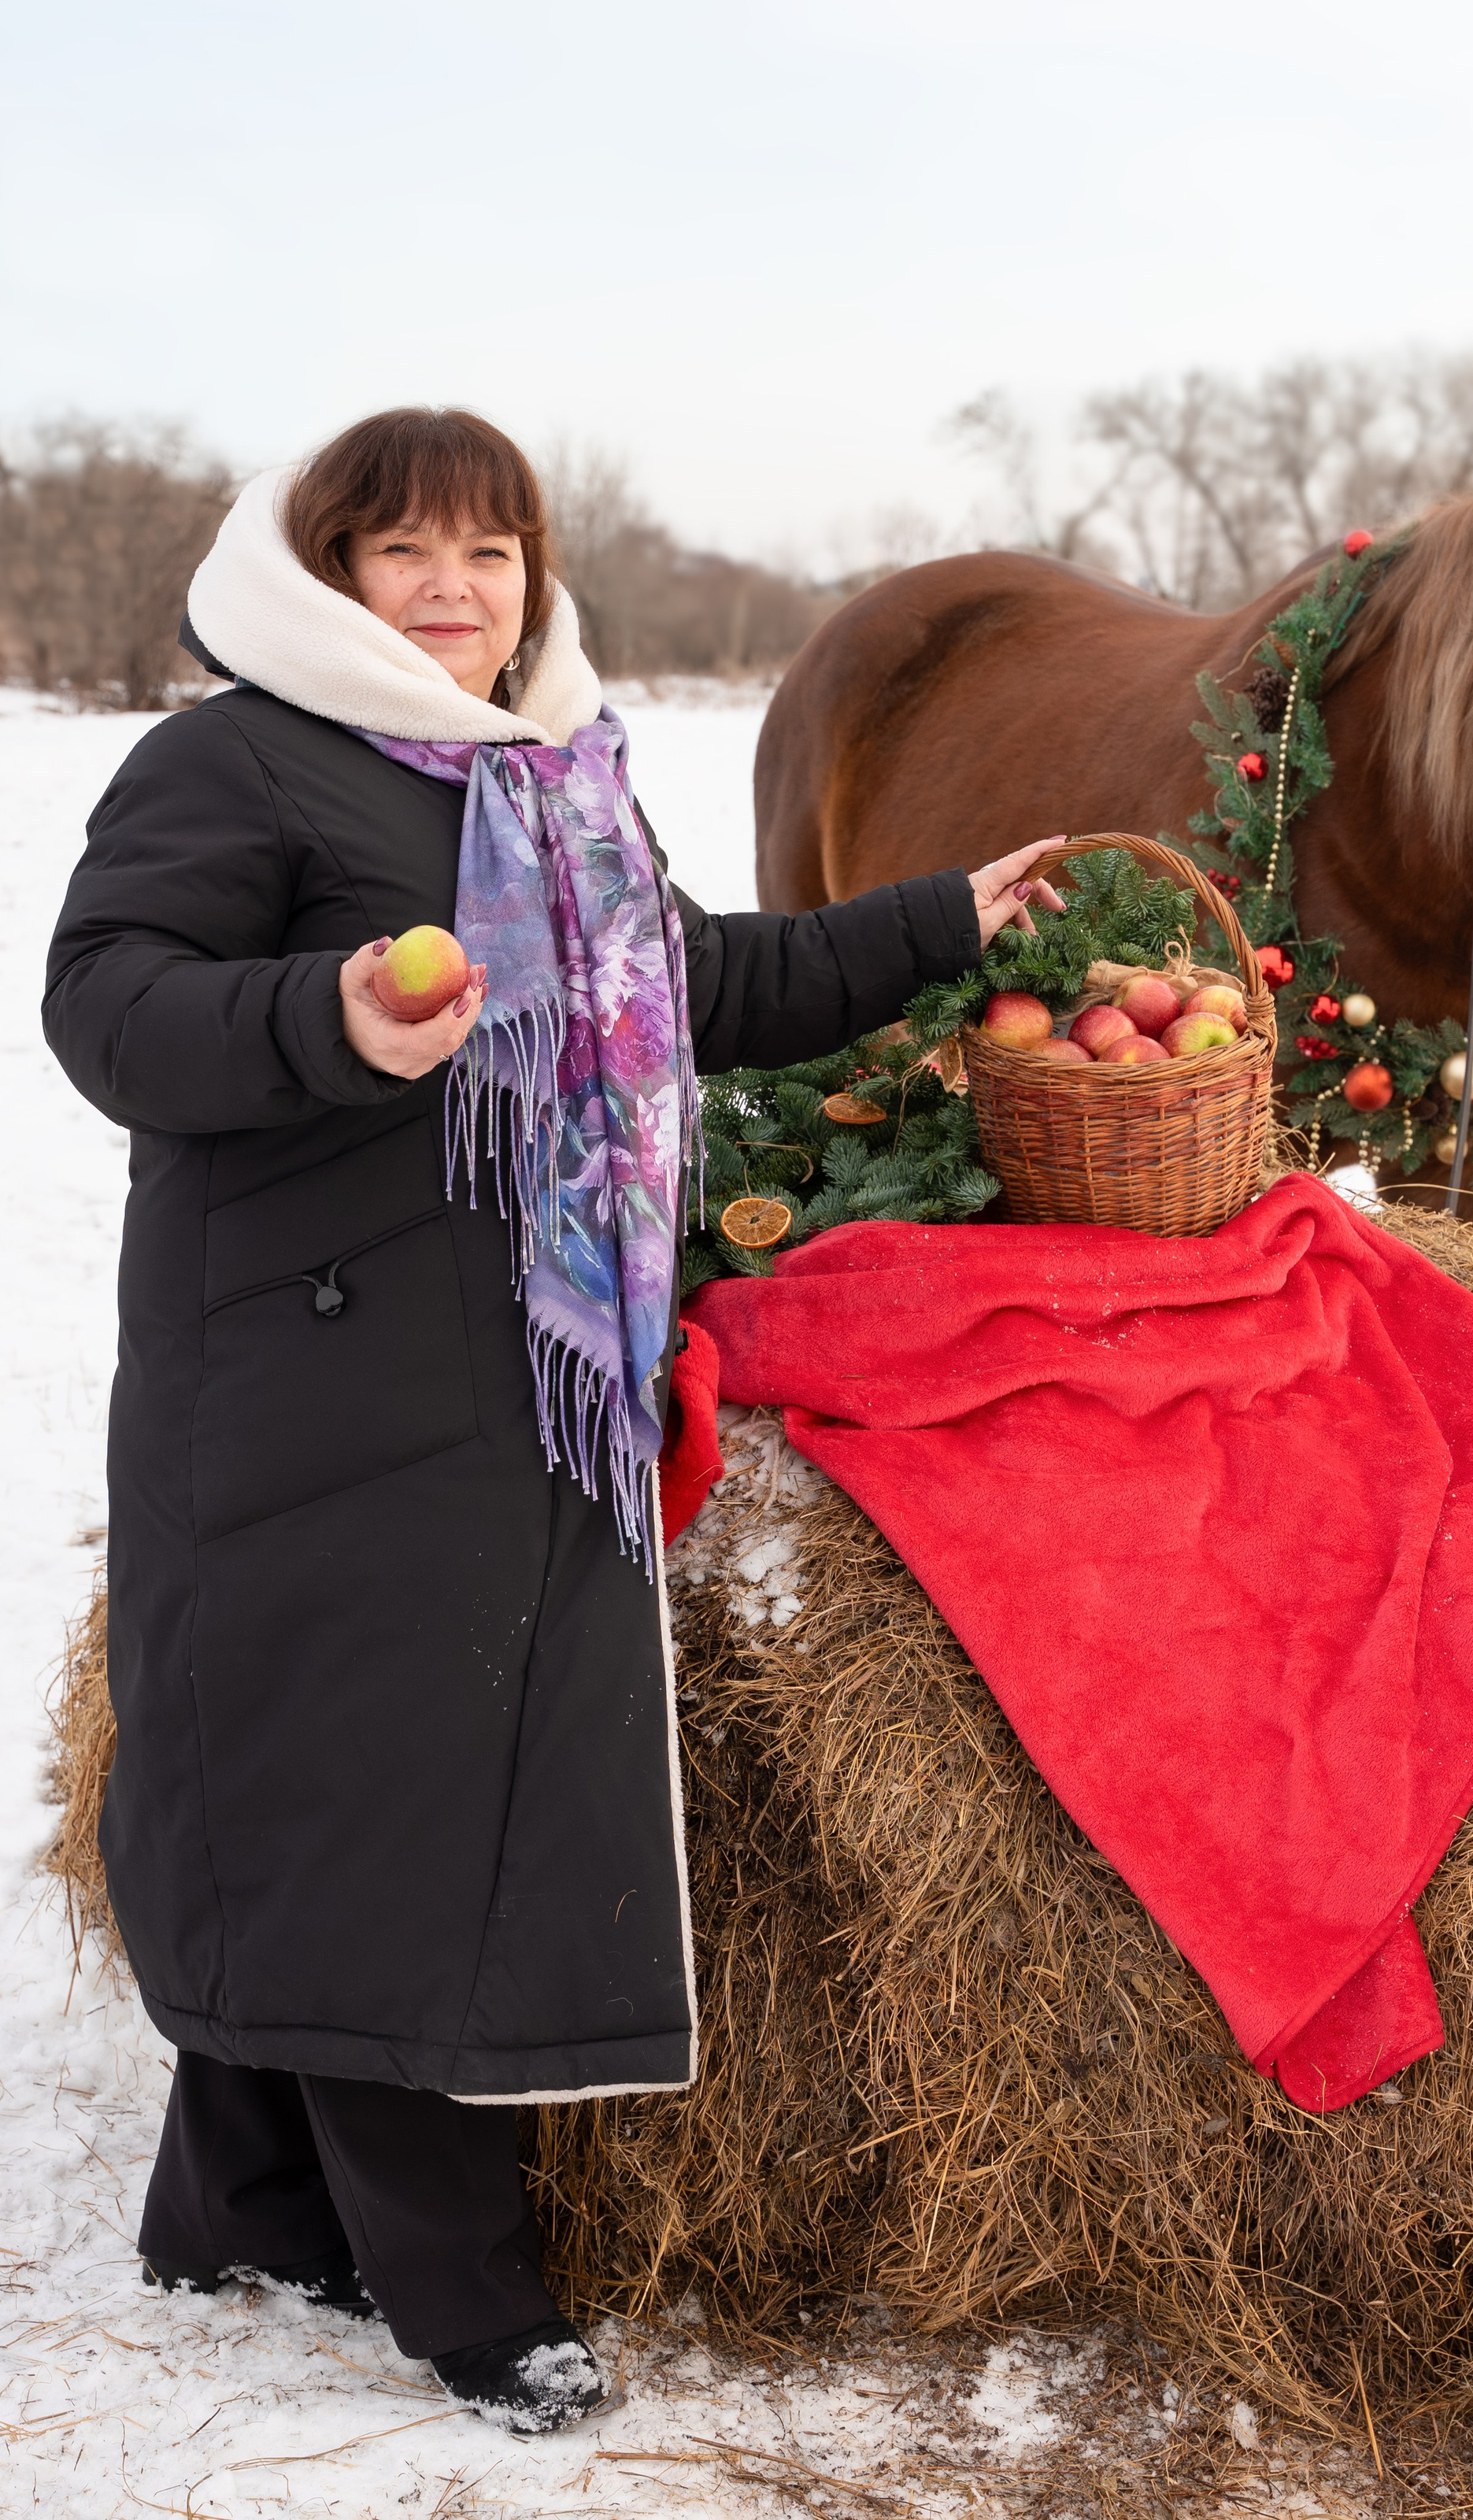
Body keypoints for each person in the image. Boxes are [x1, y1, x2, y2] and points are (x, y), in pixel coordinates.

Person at [42, 407, 1062, 2435]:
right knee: (382, 1797)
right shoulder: (232, 758)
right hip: (302, 1376)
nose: (452, 589)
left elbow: (688, 985)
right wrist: (324, 1013)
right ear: (324, 580)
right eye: (402, 552)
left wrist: (943, 923)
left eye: (489, 554)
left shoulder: (561, 789)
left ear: (534, 585)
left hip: (512, 1362)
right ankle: (460, 2291)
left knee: (347, 1777)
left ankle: (234, 2207)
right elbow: (107, 1000)